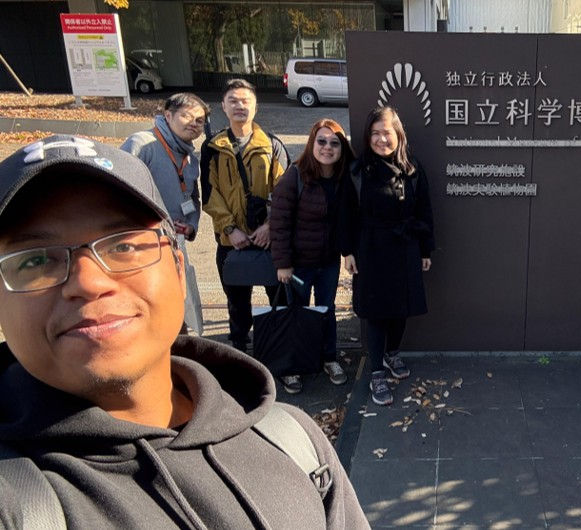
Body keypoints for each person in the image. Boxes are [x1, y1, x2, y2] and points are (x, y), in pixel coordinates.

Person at [0, 136, 368, 527]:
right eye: (35, 260)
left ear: (178, 269)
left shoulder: (291, 441)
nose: (88, 283)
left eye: (124, 246)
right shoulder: (17, 502)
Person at [340, 107, 435, 406]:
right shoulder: (357, 171)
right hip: (370, 248)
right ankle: (377, 371)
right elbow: (345, 216)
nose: (382, 139)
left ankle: (393, 353)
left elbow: (425, 211)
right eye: (376, 133)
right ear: (368, 137)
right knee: (376, 312)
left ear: (399, 135)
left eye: (387, 133)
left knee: (401, 308)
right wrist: (347, 252)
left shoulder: (412, 168)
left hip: (405, 246)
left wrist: (425, 249)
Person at [202, 79, 289, 352]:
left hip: (267, 239)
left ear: (256, 107)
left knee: (277, 296)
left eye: (245, 101)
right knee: (237, 301)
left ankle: (279, 349)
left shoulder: (272, 144)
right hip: (231, 241)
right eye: (233, 101)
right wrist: (230, 229)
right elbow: (208, 194)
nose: (240, 106)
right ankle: (239, 350)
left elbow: (285, 192)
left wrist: (269, 226)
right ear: (223, 107)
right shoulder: (212, 147)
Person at [269, 119, 354, 394]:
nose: (327, 147)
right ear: (311, 143)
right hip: (298, 265)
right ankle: (292, 367)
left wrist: (346, 252)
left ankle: (329, 358)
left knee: (325, 311)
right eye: (322, 141)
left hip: (327, 263)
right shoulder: (295, 175)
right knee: (298, 313)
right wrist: (282, 263)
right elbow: (279, 222)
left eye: (334, 143)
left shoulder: (343, 178)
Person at [121, 92, 209, 333]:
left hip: (175, 240)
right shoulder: (141, 144)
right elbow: (118, 192)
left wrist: (191, 225)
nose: (193, 123)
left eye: (199, 120)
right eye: (186, 116)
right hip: (143, 244)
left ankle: (179, 344)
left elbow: (193, 197)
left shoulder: (189, 156)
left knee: (176, 297)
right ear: (167, 115)